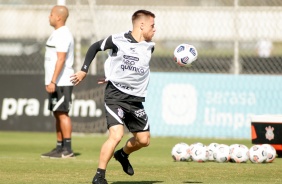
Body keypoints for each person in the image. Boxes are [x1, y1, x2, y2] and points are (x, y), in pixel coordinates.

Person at [70, 9, 156, 184]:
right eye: (152, 25)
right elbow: (94, 47)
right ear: (141, 24)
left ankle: (122, 154)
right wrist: (84, 70)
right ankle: (99, 176)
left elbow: (135, 70)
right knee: (116, 135)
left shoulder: (150, 46)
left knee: (144, 140)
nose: (155, 29)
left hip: (136, 99)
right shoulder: (117, 40)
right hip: (115, 95)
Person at [41, 5, 75, 159]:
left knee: (63, 114)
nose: (49, 16)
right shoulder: (56, 34)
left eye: (51, 14)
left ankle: (67, 149)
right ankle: (59, 147)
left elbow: (61, 59)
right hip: (55, 81)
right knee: (57, 113)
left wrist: (53, 81)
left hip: (61, 81)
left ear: (59, 17)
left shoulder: (63, 34)